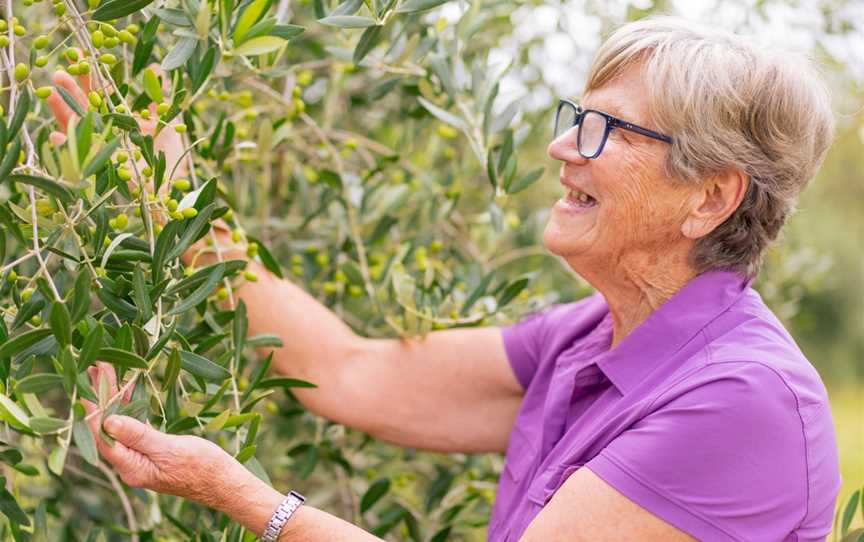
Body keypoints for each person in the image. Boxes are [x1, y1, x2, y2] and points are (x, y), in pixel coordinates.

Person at [50, 15, 841, 542]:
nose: (564, 149)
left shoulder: (743, 400)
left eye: (605, 130)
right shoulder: (589, 337)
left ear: (709, 197)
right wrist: (170, 194)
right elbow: (348, 372)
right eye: (575, 117)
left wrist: (245, 497)